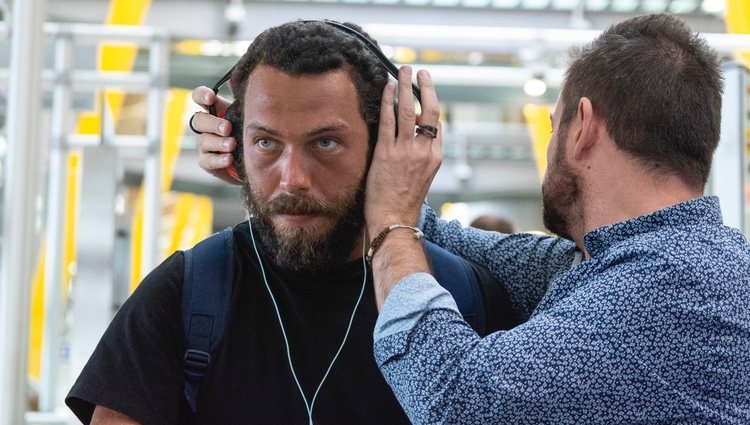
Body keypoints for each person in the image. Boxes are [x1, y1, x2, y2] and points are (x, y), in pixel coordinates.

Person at [65, 20, 516, 425]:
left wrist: (396, 217)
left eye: (324, 142)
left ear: (386, 143)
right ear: (235, 144)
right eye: (266, 142)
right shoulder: (188, 292)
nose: (292, 179)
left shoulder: (463, 298)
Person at [360, 13, 750, 424]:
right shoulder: (657, 259)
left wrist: (391, 225)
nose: (549, 151)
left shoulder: (671, 283)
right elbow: (460, 241)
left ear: (582, 127)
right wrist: (392, 191)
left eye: (552, 128)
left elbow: (457, 400)